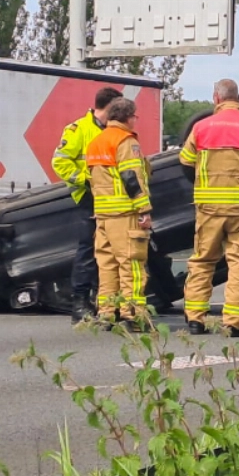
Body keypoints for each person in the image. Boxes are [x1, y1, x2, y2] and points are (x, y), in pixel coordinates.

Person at [178, 80, 239, 337]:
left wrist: (202, 186)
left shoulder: (201, 127)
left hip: (209, 207)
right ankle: (234, 322)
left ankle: (195, 320)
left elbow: (186, 162)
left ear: (216, 98)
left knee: (202, 260)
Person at [52, 86, 123, 323]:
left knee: (110, 252)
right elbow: (60, 162)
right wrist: (85, 180)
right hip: (89, 197)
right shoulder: (79, 129)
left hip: (112, 198)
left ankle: (105, 302)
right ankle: (80, 304)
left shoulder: (114, 131)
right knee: (88, 251)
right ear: (110, 107)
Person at [85, 98, 152, 329]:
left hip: (103, 215)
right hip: (125, 213)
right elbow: (131, 177)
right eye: (135, 116)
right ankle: (131, 314)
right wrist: (144, 209)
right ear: (127, 117)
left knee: (107, 266)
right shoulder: (125, 141)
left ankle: (106, 313)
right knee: (131, 264)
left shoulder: (96, 142)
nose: (136, 120)